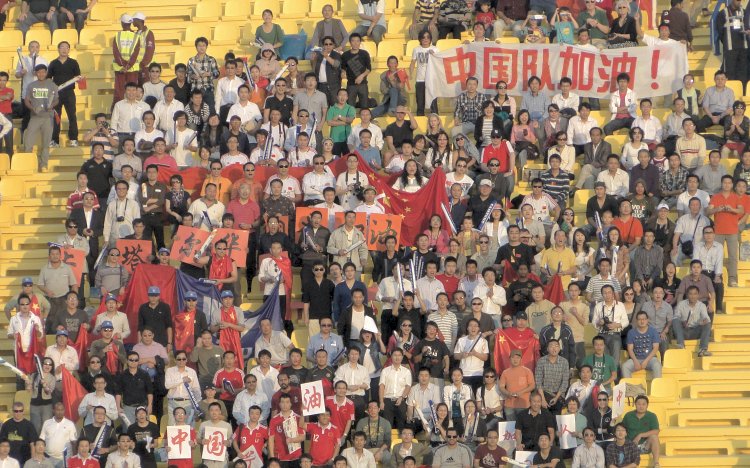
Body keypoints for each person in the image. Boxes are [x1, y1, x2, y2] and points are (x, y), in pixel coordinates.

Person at [706, 175, 743, 287]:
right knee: (717, 256)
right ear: (721, 184)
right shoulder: (716, 197)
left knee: (733, 256)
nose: (727, 185)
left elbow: (741, 210)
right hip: (718, 232)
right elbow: (708, 211)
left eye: (729, 183)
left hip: (732, 231)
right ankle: (717, 277)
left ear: (732, 185)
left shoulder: (736, 197)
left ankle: (732, 279)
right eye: (725, 183)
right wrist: (718, 209)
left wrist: (731, 209)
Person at [23, 64, 58, 172]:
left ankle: (43, 165)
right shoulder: (31, 85)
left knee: (46, 143)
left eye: (43, 72)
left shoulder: (52, 85)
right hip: (35, 117)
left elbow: (56, 100)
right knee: (28, 142)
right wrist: (32, 109)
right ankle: (28, 165)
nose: (41, 74)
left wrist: (51, 106)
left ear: (46, 72)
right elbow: (26, 100)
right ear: (35, 73)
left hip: (48, 117)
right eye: (38, 72)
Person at [48, 41, 81, 148]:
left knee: (72, 116)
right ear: (58, 49)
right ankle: (54, 140)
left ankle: (74, 139)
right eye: (62, 47)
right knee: (56, 117)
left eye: (66, 47)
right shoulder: (53, 63)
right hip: (56, 94)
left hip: (69, 93)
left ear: (69, 50)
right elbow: (48, 79)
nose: (64, 49)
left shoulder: (73, 63)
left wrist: (81, 79)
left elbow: (78, 77)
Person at [673, 285, 713, 356]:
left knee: (707, 324)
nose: (693, 296)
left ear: (698, 295)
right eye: (690, 294)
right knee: (675, 320)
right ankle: (681, 345)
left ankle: (703, 350)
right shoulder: (681, 304)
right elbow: (676, 316)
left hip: (695, 331)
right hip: (683, 331)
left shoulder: (701, 305)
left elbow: (706, 317)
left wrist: (704, 321)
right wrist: (682, 322)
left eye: (695, 294)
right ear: (687, 295)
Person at [621, 395, 660, 466]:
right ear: (635, 404)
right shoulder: (628, 415)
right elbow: (621, 429)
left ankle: (656, 464)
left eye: (643, 404)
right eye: (638, 404)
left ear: (647, 405)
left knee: (654, 437)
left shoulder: (652, 416)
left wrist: (640, 435)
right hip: (630, 445)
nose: (641, 406)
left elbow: (656, 431)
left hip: (644, 446)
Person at [498, 349, 535, 421]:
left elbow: (532, 385)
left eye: (517, 358)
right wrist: (508, 393)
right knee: (511, 428)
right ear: (509, 359)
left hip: (524, 405)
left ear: (521, 359)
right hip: (509, 405)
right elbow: (501, 387)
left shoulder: (527, 371)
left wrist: (521, 392)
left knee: (524, 427)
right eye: (513, 357)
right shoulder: (505, 372)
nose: (515, 360)